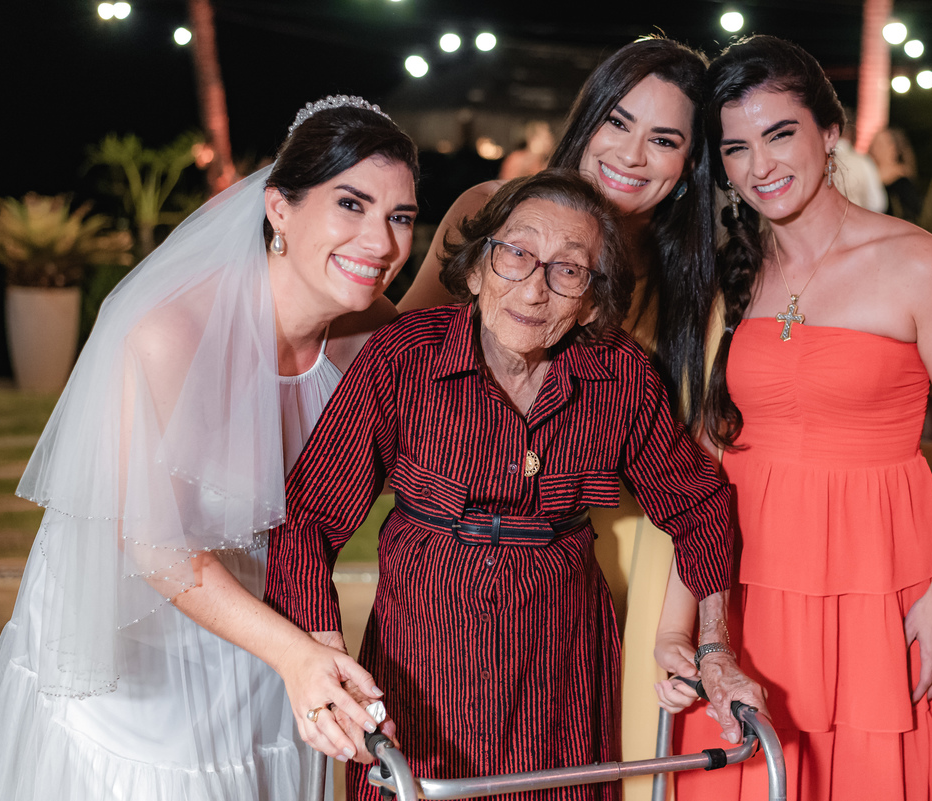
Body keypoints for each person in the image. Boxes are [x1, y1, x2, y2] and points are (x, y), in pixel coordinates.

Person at [0, 96, 419, 801]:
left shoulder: (373, 331)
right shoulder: (171, 333)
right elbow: (155, 548)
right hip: (134, 637)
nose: (381, 242)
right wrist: (294, 652)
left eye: (400, 217)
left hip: (263, 632)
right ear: (279, 209)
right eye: (351, 205)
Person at [265, 169, 760, 800]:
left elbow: (699, 501)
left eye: (568, 269)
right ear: (475, 270)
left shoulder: (621, 378)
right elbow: (308, 515)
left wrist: (713, 647)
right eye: (516, 255)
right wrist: (322, 657)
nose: (535, 289)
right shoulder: (403, 358)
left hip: (562, 654)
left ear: (590, 299)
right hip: (424, 642)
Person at [655, 36, 932, 800]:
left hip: (877, 578)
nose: (761, 166)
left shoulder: (919, 263)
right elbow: (709, 456)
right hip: (746, 583)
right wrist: (677, 622)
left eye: (781, 133)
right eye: (737, 147)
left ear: (832, 132)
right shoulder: (733, 274)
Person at [396, 36, 718, 798]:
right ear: (585, 121)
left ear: (688, 166)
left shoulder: (692, 283)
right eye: (617, 120)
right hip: (462, 552)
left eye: (665, 139)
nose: (633, 154)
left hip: (618, 563)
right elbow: (396, 353)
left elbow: (697, 472)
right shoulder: (489, 212)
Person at [870, 127, 923, 221]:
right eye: (873, 144)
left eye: (880, 145)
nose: (874, 149)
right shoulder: (869, 173)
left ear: (893, 149)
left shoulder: (903, 184)